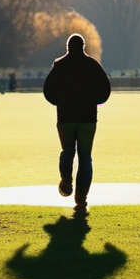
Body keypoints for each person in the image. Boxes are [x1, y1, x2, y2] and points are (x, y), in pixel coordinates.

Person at [43, 33, 111, 214]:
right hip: (88, 118)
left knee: (67, 151)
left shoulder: (59, 65)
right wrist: (93, 101)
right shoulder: (92, 65)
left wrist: (60, 101)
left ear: (67, 47)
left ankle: (66, 179)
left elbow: (48, 91)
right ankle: (81, 201)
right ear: (83, 46)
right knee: (85, 157)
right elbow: (106, 90)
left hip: (65, 117)